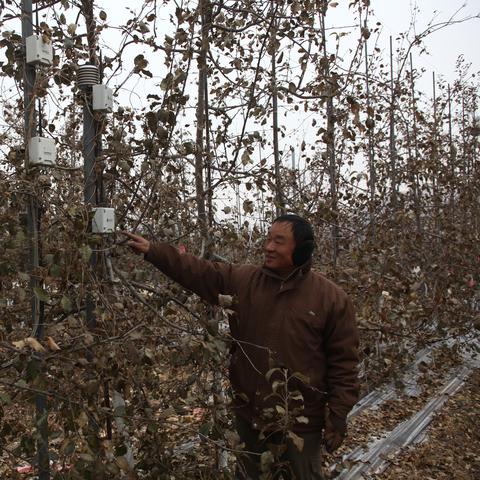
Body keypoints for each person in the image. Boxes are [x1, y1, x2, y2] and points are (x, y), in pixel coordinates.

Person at [123, 214, 359, 479]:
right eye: (268, 239)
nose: (268, 247)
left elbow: (345, 364)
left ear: (302, 249)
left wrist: (337, 415)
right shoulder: (245, 280)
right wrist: (153, 251)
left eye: (278, 241)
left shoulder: (331, 299)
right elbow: (200, 272)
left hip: (301, 425)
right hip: (251, 418)